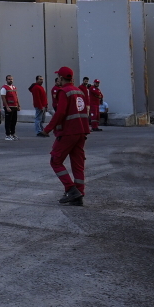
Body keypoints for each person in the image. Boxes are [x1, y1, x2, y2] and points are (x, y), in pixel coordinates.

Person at [44, 66, 91, 205]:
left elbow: (60, 113)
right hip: (81, 131)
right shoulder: (79, 91)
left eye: (58, 77)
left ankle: (71, 190)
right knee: (78, 164)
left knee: (55, 161)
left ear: (61, 78)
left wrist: (47, 129)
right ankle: (79, 195)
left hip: (68, 132)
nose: (57, 79)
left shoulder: (63, 91)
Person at [0, 75, 21, 141]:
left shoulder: (14, 87)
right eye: (9, 79)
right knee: (8, 121)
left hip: (15, 106)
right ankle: (8, 135)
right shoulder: (4, 88)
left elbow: (16, 96)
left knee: (14, 121)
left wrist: (18, 105)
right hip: (9, 107)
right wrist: (7, 107)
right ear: (6, 80)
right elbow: (3, 98)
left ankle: (13, 134)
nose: (10, 80)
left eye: (11, 79)